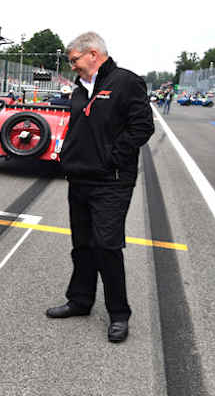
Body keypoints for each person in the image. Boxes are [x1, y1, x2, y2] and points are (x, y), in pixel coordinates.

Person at [47, 32, 154, 343]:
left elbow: (142, 126)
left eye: (75, 61)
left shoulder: (125, 82)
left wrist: (112, 158)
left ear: (93, 54)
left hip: (112, 180)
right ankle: (80, 300)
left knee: (106, 247)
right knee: (82, 245)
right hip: (79, 177)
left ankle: (119, 314)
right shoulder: (80, 88)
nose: (73, 68)